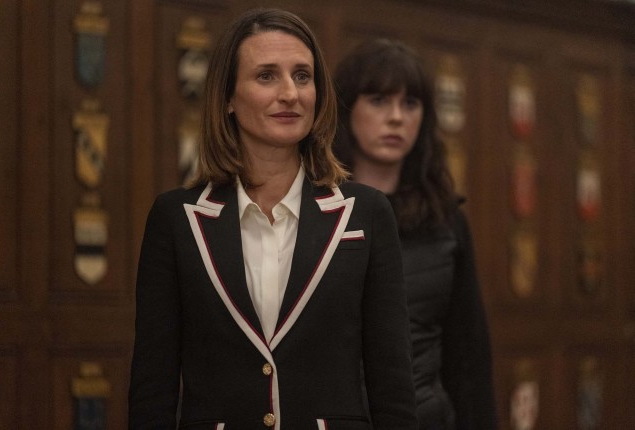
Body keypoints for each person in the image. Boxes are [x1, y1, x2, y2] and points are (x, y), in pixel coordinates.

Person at [128, 9, 418, 430]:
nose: (290, 94)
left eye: (302, 76)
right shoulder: (176, 218)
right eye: (266, 76)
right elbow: (152, 387)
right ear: (228, 98)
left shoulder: (366, 213)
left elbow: (392, 383)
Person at [334, 39, 497, 430]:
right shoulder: (311, 211)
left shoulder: (446, 220)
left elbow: (468, 357)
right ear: (347, 108)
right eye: (378, 100)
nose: (396, 118)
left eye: (410, 103)